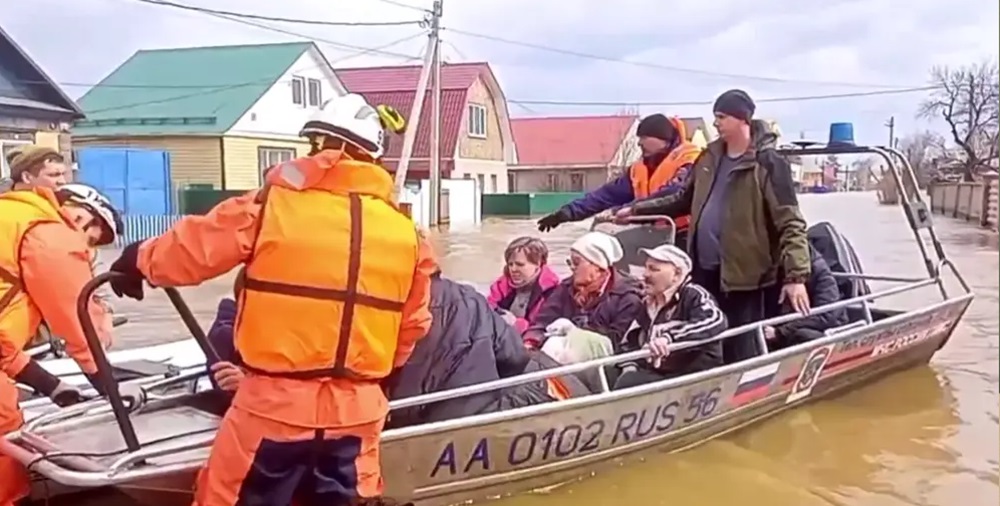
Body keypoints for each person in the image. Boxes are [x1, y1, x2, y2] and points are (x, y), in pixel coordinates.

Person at [107, 93, 437, 506]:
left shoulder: (272, 206)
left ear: (317, 145)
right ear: (373, 158)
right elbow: (413, 326)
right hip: (358, 411)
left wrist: (138, 259)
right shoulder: (409, 235)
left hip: (272, 409)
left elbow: (194, 250)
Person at [208, 267, 590, 428]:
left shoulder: (369, 306)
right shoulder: (470, 299)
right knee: (540, 371)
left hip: (398, 418)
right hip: (451, 417)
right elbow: (514, 358)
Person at [617, 89, 812, 364]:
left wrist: (796, 278)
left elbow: (790, 221)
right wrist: (636, 209)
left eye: (722, 117)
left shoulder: (768, 163)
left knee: (744, 346)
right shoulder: (709, 157)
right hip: (705, 270)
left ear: (742, 119)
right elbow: (681, 199)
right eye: (715, 117)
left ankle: (752, 392)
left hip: (747, 274)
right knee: (705, 339)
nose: (716, 123)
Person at [0, 183, 123, 506]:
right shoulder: (50, 234)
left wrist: (52, 386)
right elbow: (76, 318)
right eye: (92, 240)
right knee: (4, 424)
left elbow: (1, 347)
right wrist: (109, 386)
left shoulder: (15, 217)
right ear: (81, 216)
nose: (87, 250)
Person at [2, 147, 117, 346]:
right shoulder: (35, 223)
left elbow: (87, 281)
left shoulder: (45, 215)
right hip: (15, 332)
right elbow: (66, 291)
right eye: (54, 175)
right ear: (27, 177)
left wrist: (104, 311)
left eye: (63, 174)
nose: (62, 180)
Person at [536, 114, 702, 249]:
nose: (639, 143)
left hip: (684, 235)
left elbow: (675, 192)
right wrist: (566, 213)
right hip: (650, 232)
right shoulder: (638, 169)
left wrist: (629, 210)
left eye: (644, 137)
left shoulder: (689, 159)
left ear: (662, 139)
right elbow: (605, 196)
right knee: (607, 247)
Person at [614, 244, 727, 389]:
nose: (645, 274)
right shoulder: (646, 304)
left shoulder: (694, 294)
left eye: (654, 269)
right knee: (607, 372)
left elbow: (715, 320)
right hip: (660, 375)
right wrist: (629, 366)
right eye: (646, 267)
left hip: (696, 376)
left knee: (628, 382)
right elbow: (629, 341)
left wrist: (669, 338)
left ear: (677, 275)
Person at [523, 231, 643, 351]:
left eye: (576, 262)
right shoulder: (565, 288)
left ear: (597, 266)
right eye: (569, 262)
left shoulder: (628, 297)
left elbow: (616, 342)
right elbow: (542, 322)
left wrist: (576, 333)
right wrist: (530, 342)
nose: (571, 268)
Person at [764, 245, 847, 350]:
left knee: (802, 336)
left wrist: (780, 332)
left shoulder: (818, 271)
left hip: (823, 328)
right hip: (786, 327)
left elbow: (826, 315)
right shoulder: (773, 271)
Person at [487, 236, 560, 332]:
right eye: (510, 264)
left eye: (520, 264)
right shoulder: (501, 285)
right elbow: (487, 309)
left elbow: (543, 327)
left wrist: (516, 324)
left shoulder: (553, 292)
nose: (513, 269)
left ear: (538, 264)